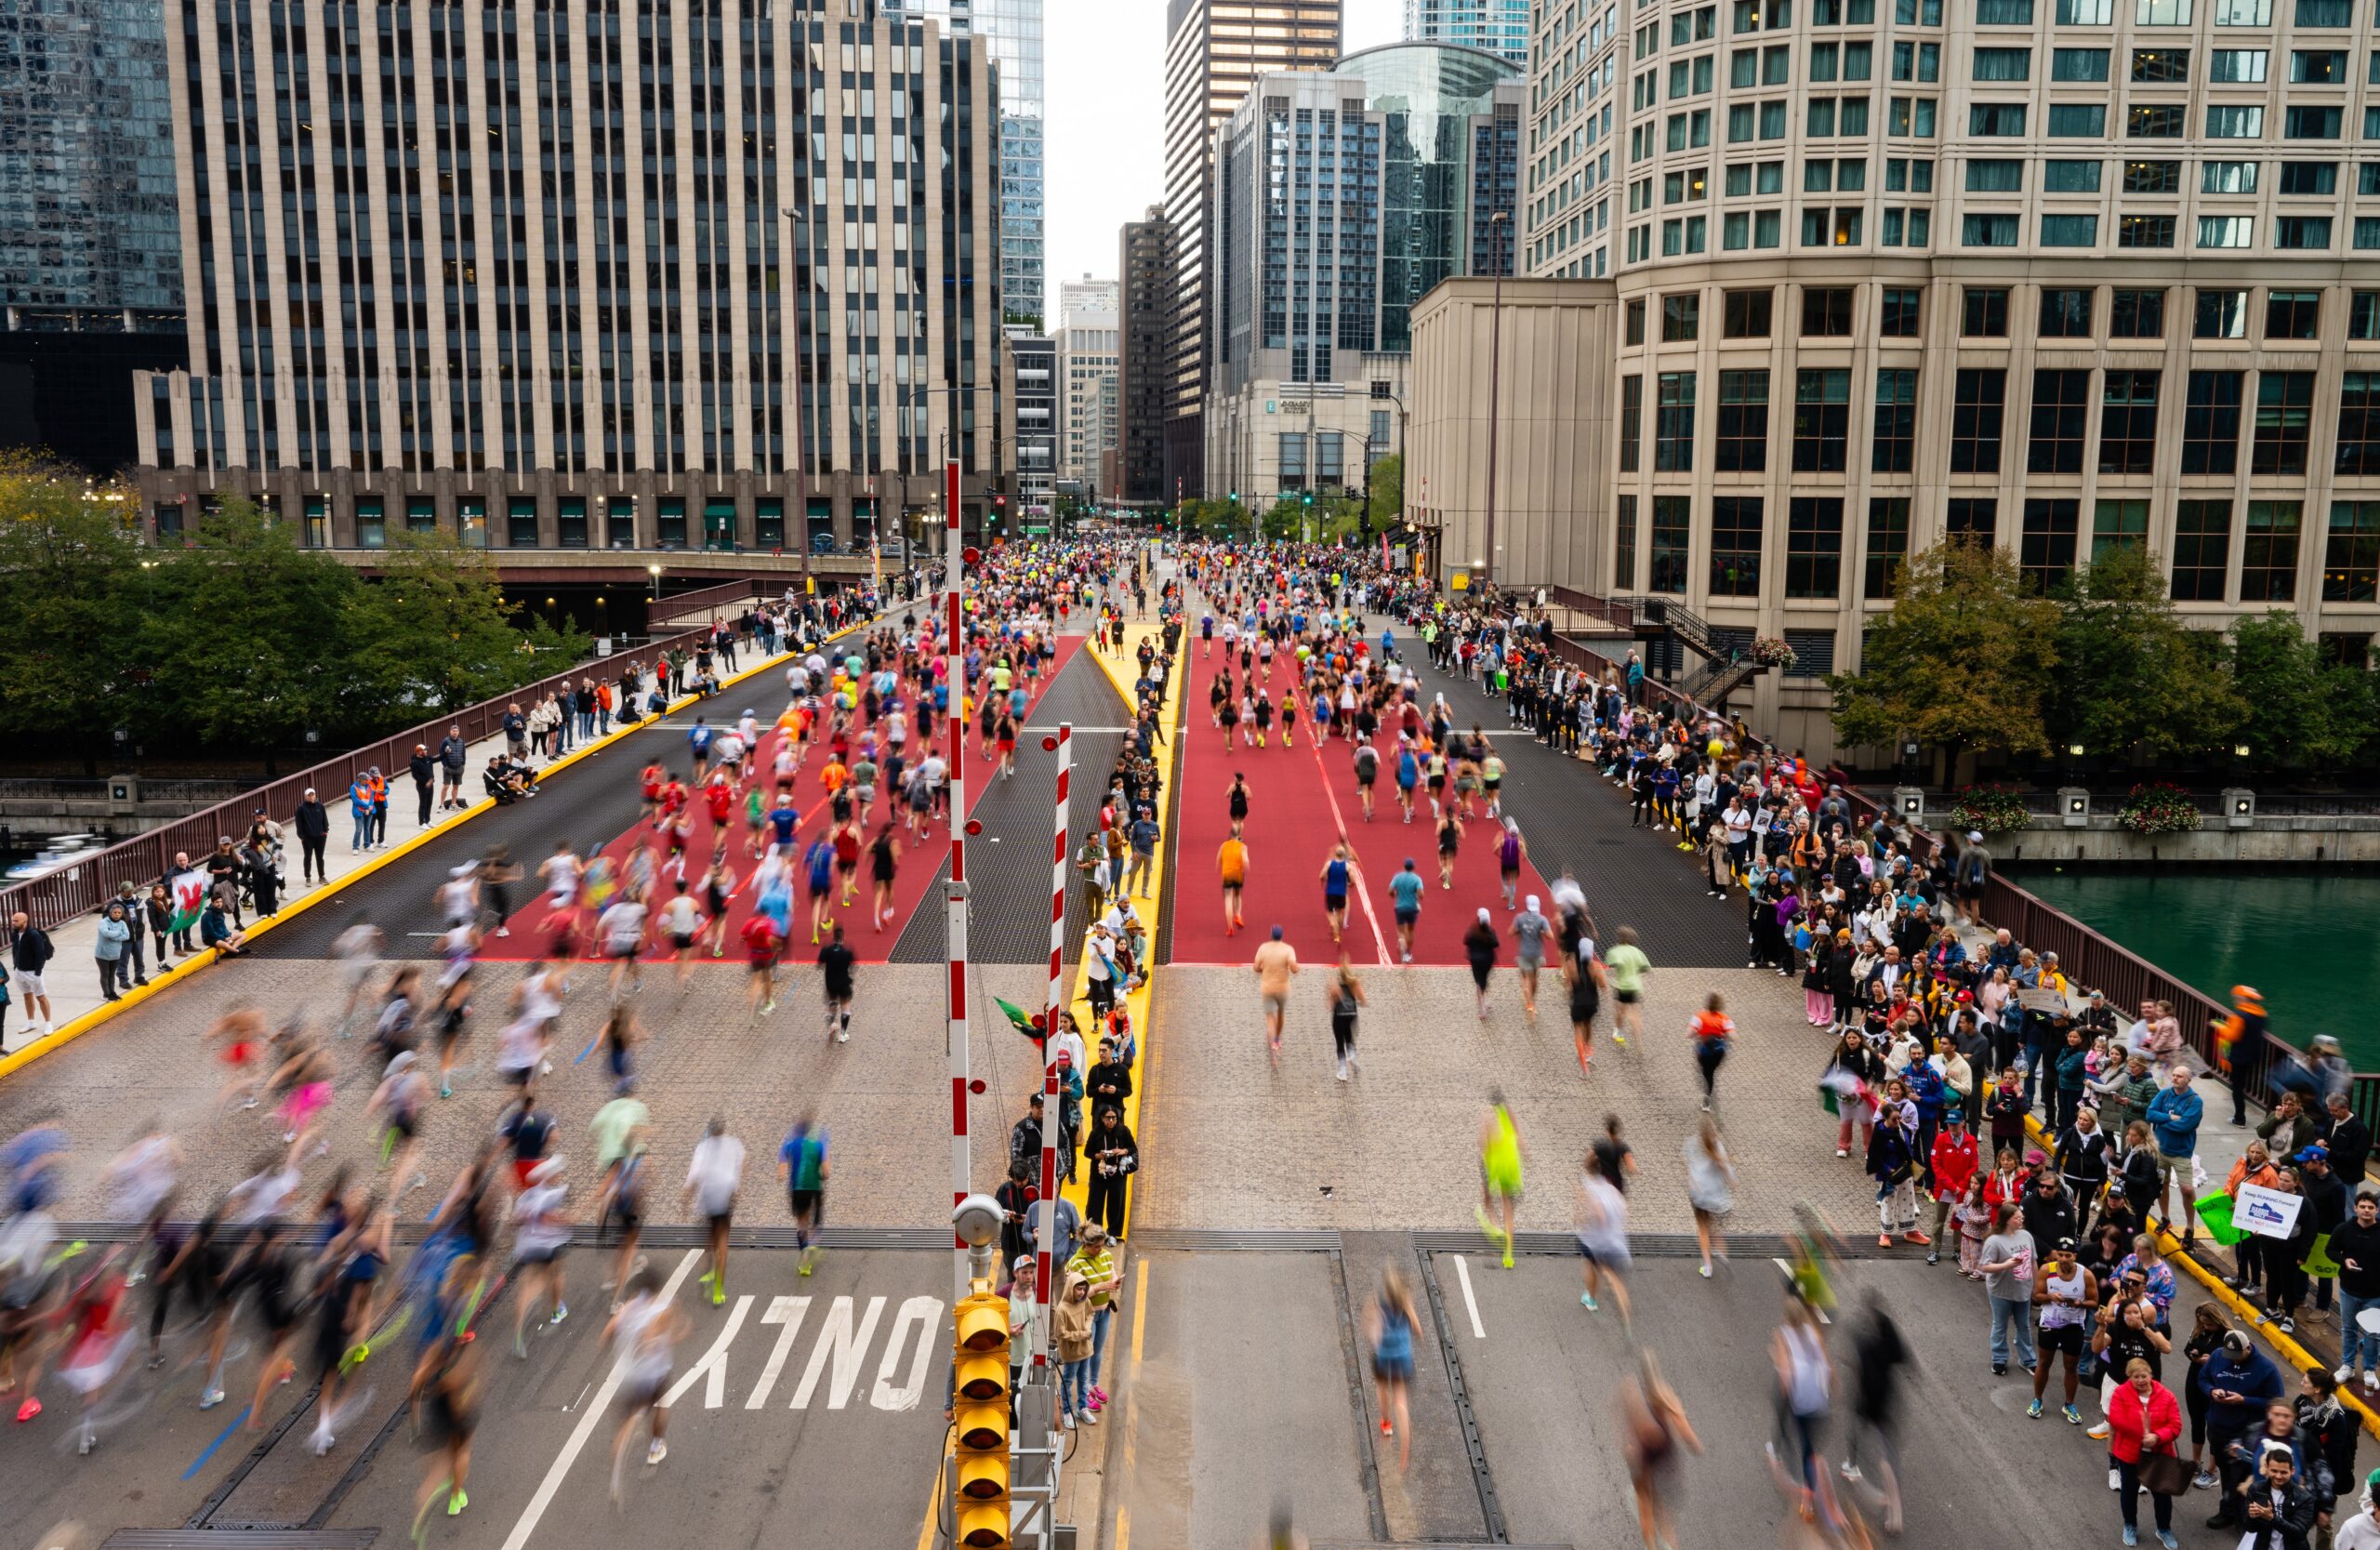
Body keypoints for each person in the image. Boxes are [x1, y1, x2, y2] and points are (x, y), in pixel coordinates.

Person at [604, 1264, 687, 1490]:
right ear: (657, 1287)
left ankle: (616, 1472)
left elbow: (607, 1334)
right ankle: (655, 1447)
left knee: (629, 1418)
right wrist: (672, 1333)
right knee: (661, 1405)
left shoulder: (627, 1308)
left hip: (628, 1374)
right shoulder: (662, 1309)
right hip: (653, 1374)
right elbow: (659, 1335)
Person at [2202, 1329, 2287, 1524]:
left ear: (2248, 1348)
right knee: (2226, 1472)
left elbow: (2276, 1403)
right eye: (2230, 1356)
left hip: (2246, 1433)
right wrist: (2212, 1390)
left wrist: (2245, 1400)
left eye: (2238, 1356)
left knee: (2244, 1476)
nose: (2234, 1360)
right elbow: (2203, 1379)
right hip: (2218, 1427)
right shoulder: (2217, 1356)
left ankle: (2246, 1517)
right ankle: (2228, 1512)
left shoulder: (2267, 1368)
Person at [2108, 1354, 2186, 1548]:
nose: (2141, 1380)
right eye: (2136, 1377)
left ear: (2151, 1375)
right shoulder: (2120, 1393)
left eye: (2144, 1376)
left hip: (2159, 1455)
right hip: (2129, 1454)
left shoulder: (2166, 1396)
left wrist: (2157, 1436)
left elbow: (2175, 1425)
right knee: (2129, 1491)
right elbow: (2116, 1420)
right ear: (2129, 1377)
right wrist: (2142, 1433)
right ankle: (2130, 1525)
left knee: (2162, 1495)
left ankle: (2164, 1529)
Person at [683, 1117, 743, 1306]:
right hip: (725, 1196)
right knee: (723, 1243)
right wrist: (737, 1187)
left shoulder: (703, 1147)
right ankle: (718, 1291)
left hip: (708, 1197)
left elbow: (694, 1175)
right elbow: (743, 1162)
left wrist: (685, 1198)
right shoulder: (733, 1144)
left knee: (710, 1235)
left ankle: (706, 1269)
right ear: (724, 1129)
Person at [1367, 1265, 1420, 1473]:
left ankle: (1386, 1425)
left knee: (1381, 1387)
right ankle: (1404, 1455)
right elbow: (1417, 1327)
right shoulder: (1405, 1301)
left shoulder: (1377, 1299)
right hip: (1402, 1357)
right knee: (1401, 1399)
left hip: (1383, 1354)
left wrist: (1375, 1337)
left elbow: (1370, 1325)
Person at [1575, 1145, 1633, 1323]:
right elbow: (1624, 1209)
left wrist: (1584, 1219)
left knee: (1591, 1265)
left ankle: (1591, 1299)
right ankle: (1625, 1311)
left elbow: (1598, 1214)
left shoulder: (1588, 1187)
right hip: (1615, 1241)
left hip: (1596, 1241)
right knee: (1613, 1276)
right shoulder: (1610, 1188)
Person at [1980, 1204, 2039, 1376]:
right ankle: (1999, 1359)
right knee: (2000, 1325)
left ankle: (2028, 1360)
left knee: (2024, 1326)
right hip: (2001, 1291)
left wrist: (2036, 1286)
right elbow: (1985, 1266)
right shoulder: (1994, 1241)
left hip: (2023, 1289)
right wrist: (2006, 1265)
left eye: (2021, 1217)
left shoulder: (2026, 1236)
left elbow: (2033, 1262)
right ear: (2007, 1220)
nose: (2021, 1220)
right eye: (2017, 1218)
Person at [1477, 1092, 1525, 1270]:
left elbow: (1482, 1142)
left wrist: (1485, 1154)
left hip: (1495, 1166)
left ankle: (1493, 1223)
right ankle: (1509, 1255)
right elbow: (1520, 1138)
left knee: (1488, 1196)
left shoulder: (1488, 1116)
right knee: (1508, 1208)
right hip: (1512, 1168)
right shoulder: (1509, 1113)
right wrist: (1525, 1156)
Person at [1685, 1115, 1735, 1278]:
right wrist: (1732, 1180)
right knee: (1712, 1226)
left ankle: (1707, 1267)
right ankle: (1722, 1253)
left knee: (1703, 1229)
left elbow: (1688, 1165)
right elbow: (1725, 1168)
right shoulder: (1717, 1147)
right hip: (1714, 1196)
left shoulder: (1692, 1143)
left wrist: (1693, 1181)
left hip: (1698, 1194)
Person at [1084, 1106, 1136, 1239]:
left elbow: (1132, 1148)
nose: (1111, 1121)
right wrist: (1098, 1156)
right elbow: (1087, 1152)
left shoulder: (1124, 1131)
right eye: (1108, 1118)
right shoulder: (1095, 1133)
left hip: (1118, 1175)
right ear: (1102, 1118)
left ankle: (1113, 1233)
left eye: (1114, 1118)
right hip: (1099, 1175)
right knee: (1095, 1205)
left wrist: (1123, 1151)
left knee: (1116, 1205)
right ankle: (1096, 1234)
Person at [1252, 924, 1298, 1066]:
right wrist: (1295, 967)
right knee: (1281, 1014)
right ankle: (1277, 1040)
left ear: (1271, 934)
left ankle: (1272, 1041)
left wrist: (1263, 970)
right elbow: (1294, 968)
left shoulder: (1263, 948)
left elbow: (1256, 967)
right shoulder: (1288, 949)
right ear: (1282, 936)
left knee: (1270, 1016)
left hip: (1267, 988)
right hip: (1282, 988)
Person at [1604, 926, 1648, 1049]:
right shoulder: (1638, 952)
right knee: (1635, 1012)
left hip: (1622, 986)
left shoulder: (1615, 951)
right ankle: (1638, 1040)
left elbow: (1611, 964)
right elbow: (1646, 968)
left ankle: (1618, 1032)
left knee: (1620, 1010)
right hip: (1636, 986)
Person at [1329, 957, 1366, 1081]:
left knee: (1340, 1042)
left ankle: (1343, 1072)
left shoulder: (1336, 986)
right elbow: (1363, 1000)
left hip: (1339, 1016)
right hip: (1352, 1015)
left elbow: (1329, 1005)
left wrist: (1334, 991)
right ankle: (1352, 1054)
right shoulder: (1354, 984)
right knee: (1349, 1036)